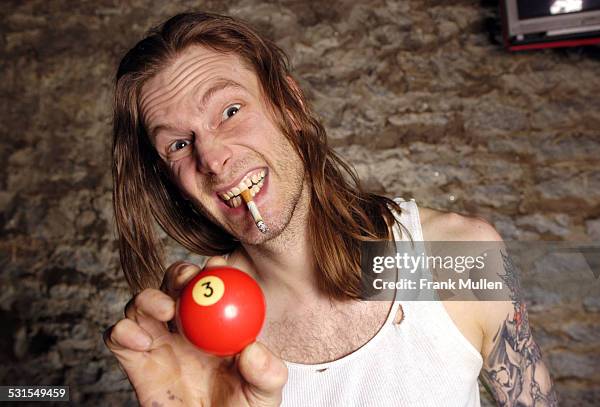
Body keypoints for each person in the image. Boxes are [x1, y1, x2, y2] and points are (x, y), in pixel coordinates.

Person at [103, 12, 557, 407]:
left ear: (290, 104)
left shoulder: (462, 256)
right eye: (180, 144)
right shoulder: (200, 342)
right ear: (170, 181)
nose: (214, 158)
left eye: (230, 110)